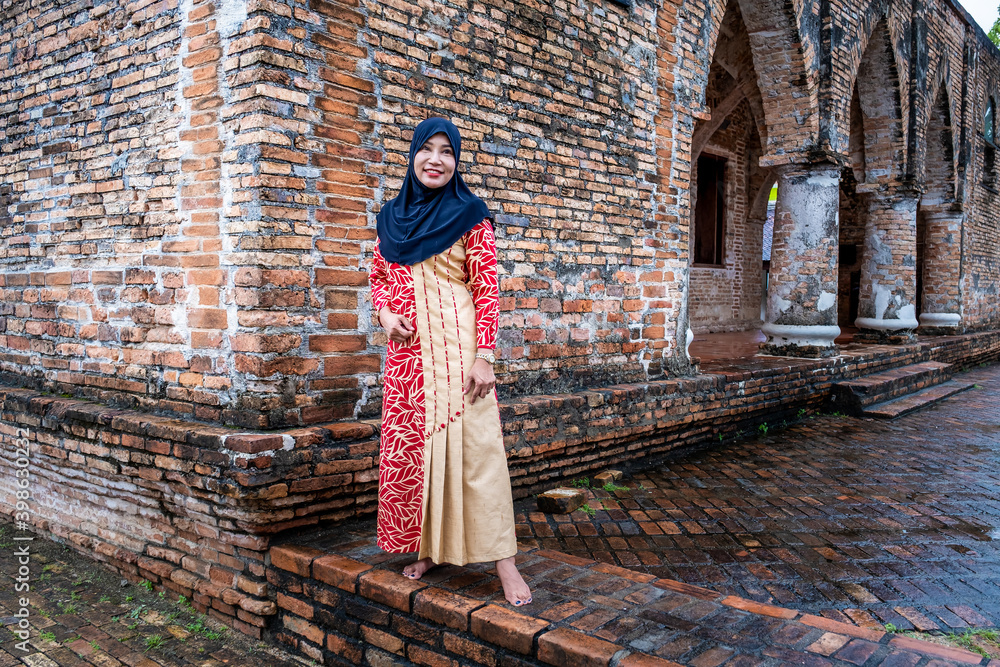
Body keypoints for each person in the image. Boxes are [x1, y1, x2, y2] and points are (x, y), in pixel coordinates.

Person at [368, 117, 532, 606]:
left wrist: (485, 357)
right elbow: (379, 276)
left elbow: (487, 289)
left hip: (458, 352)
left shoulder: (470, 213)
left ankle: (504, 562)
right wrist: (385, 314)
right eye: (427, 149)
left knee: (477, 452)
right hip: (408, 359)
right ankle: (430, 548)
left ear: (456, 161)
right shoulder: (391, 216)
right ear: (413, 154)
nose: (435, 160)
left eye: (447, 151)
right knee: (415, 453)